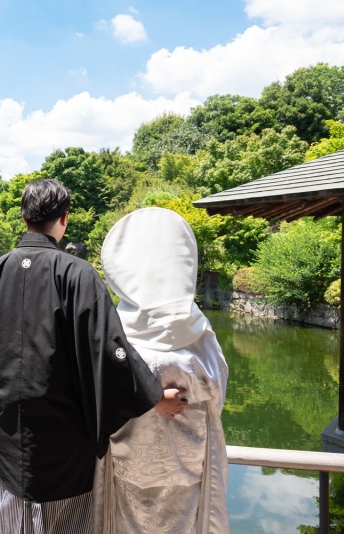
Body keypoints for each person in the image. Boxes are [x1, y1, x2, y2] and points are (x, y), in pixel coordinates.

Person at [0, 179, 186, 533]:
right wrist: (155, 398)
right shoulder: (78, 274)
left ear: (24, 218)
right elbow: (110, 352)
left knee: (13, 521)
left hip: (9, 439)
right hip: (64, 443)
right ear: (64, 218)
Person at [94, 207, 230, 533]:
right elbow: (216, 391)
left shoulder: (115, 328)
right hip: (186, 463)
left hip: (128, 459)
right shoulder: (196, 328)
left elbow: (101, 392)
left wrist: (147, 395)